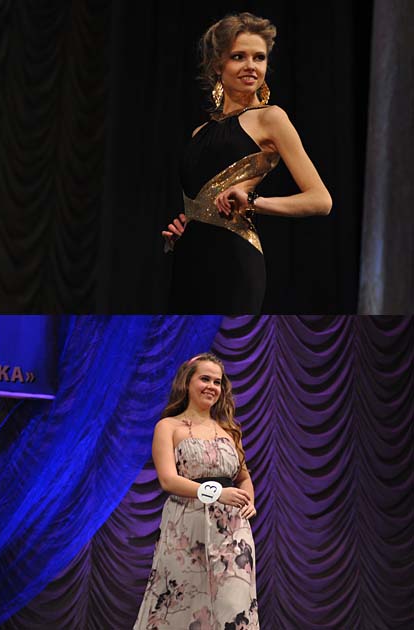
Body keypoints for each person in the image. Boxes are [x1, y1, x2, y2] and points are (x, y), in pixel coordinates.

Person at [162, 13, 332, 313]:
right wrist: (189, 226)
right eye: (238, 56)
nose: (251, 66)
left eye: (259, 57)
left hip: (234, 261)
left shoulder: (271, 118)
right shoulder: (199, 132)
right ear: (218, 65)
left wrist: (254, 202)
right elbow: (200, 202)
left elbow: (321, 200)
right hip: (188, 259)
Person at [133, 353, 257, 630]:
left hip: (232, 531)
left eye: (217, 382)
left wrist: (249, 500)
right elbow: (168, 480)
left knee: (233, 606)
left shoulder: (229, 430)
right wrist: (217, 493)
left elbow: (243, 477)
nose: (212, 386)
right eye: (205, 379)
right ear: (187, 382)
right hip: (185, 527)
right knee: (180, 607)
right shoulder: (168, 427)